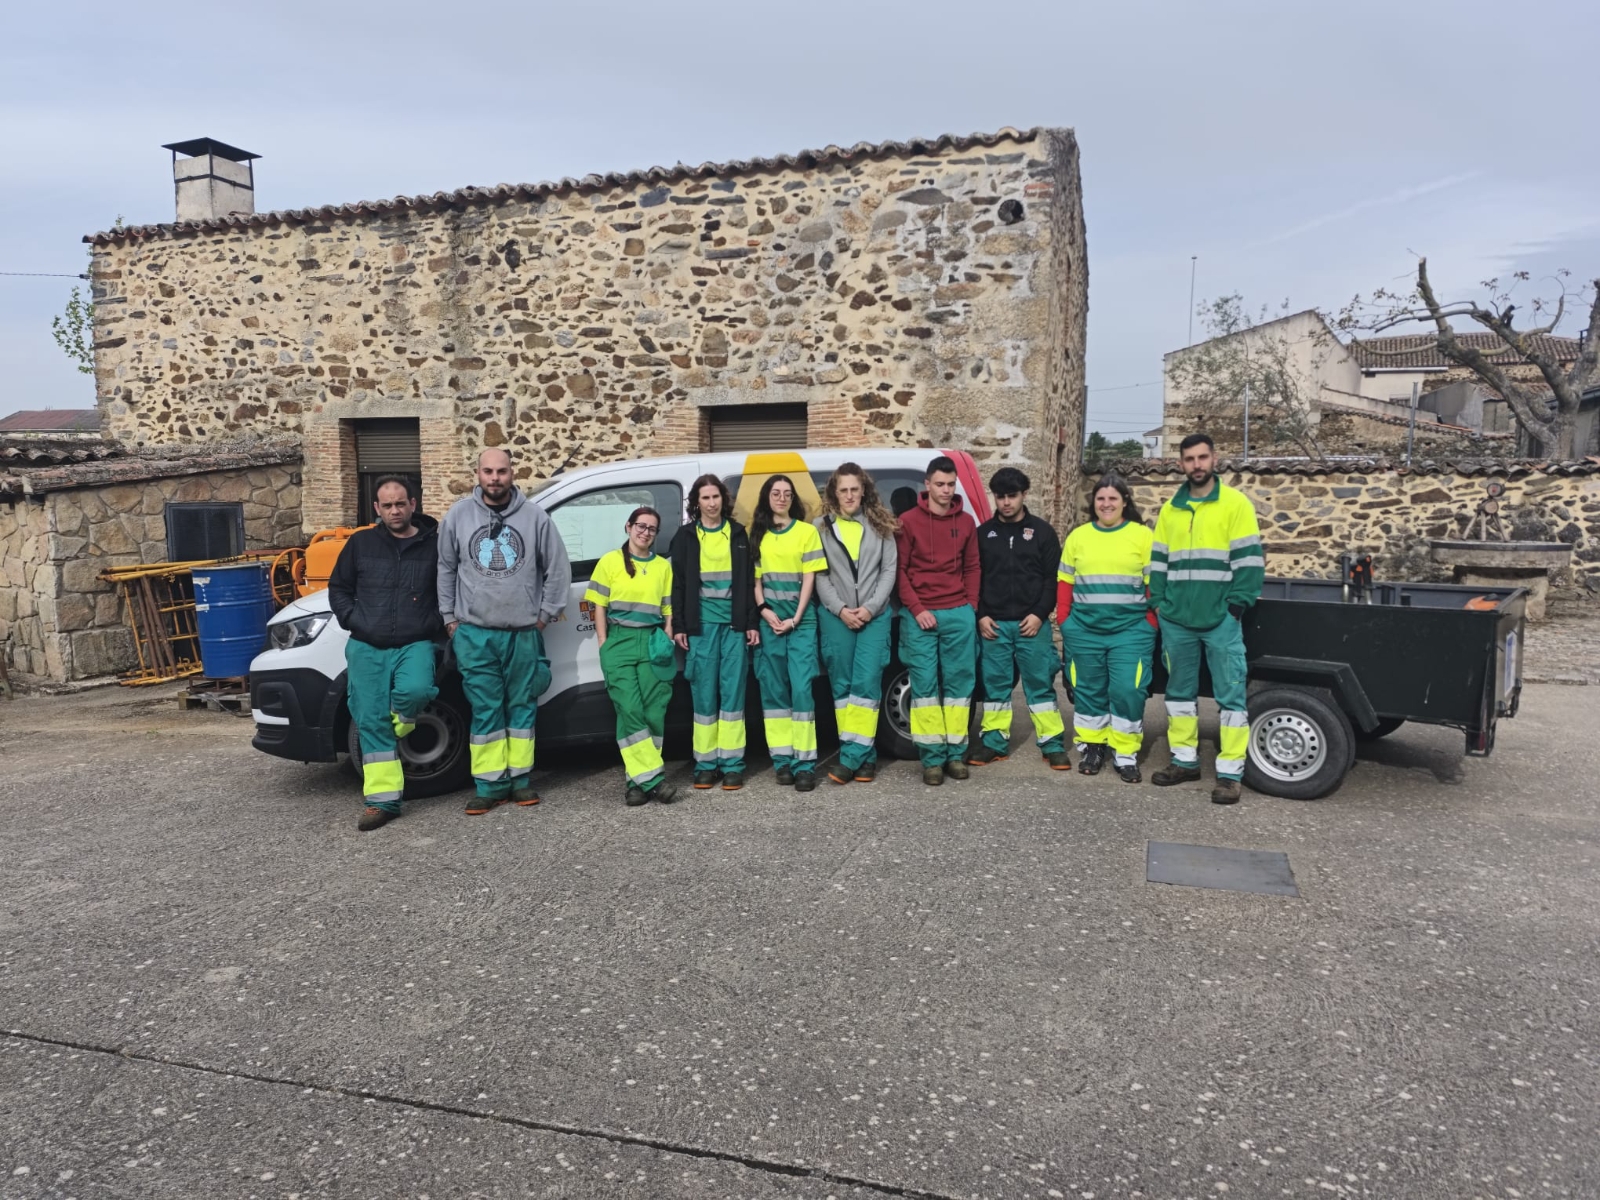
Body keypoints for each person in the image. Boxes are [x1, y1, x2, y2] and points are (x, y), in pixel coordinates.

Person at [437, 448, 572, 815]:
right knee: (485, 709)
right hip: (475, 633)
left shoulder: (535, 518)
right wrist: (450, 618)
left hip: (524, 632)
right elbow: (446, 568)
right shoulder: (459, 516)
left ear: (512, 473)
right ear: (476, 473)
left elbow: (557, 569)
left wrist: (544, 616)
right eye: (487, 471)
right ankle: (489, 786)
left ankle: (521, 781)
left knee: (522, 707)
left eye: (501, 471)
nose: (494, 478)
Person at [1148, 433, 1265, 805]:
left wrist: (1236, 607)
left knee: (1231, 697)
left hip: (1220, 620)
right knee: (1179, 695)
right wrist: (1159, 604)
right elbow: (1159, 562)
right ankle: (1185, 761)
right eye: (1189, 459)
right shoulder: (1171, 509)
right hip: (1177, 619)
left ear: (1214, 459)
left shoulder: (1235, 504)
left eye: (1202, 457)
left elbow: (1249, 561)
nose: (1196, 465)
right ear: (1180, 464)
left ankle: (1230, 774)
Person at [326, 475, 443, 831]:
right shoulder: (361, 543)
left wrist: (433, 620)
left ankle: (405, 718)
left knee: (417, 690)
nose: (395, 510)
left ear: (413, 505)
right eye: (387, 505)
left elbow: (449, 591)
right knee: (370, 719)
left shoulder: (433, 546)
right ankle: (383, 802)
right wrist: (354, 619)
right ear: (377, 509)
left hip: (415, 641)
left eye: (400, 503)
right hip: (367, 644)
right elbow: (339, 587)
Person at [1057, 474, 1156, 783]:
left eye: (1113, 498)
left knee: (1128, 690)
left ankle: (1125, 753)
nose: (1107, 503)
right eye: (1101, 498)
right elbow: (1065, 584)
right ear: (1094, 503)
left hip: (1131, 632)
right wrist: (1066, 623)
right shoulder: (1079, 537)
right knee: (1089, 692)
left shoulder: (1142, 536)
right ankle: (1093, 747)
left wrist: (1150, 624)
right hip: (1084, 631)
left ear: (1124, 501)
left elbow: (1154, 587)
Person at [969, 467, 1069, 771]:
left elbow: (1052, 580)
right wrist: (981, 615)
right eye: (1000, 497)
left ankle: (1052, 744)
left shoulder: (1042, 532)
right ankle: (994, 743)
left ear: (1024, 494)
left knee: (1040, 685)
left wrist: (1039, 615)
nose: (1006, 503)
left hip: (1031, 625)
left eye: (1012, 496)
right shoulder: (983, 534)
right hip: (994, 626)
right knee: (995, 687)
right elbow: (975, 578)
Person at [895, 456, 981, 787]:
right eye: (940, 484)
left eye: (951, 484)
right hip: (920, 615)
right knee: (925, 688)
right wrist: (917, 609)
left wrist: (970, 607)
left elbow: (973, 567)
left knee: (960, 688)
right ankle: (931, 759)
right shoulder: (908, 521)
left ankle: (956, 755)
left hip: (958, 612)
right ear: (927, 485)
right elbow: (899, 571)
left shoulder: (967, 523)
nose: (946, 490)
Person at [669, 474, 759, 792]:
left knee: (733, 696)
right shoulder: (685, 537)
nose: (711, 503)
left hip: (734, 628)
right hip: (701, 628)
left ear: (723, 499)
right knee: (703, 695)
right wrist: (680, 626)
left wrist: (750, 623)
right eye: (705, 498)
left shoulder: (737, 534)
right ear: (696, 502)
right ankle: (706, 764)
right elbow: (676, 585)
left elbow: (748, 582)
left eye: (716, 497)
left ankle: (733, 764)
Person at [586, 507, 679, 807]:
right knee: (629, 709)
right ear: (628, 527)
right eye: (641, 526)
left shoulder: (663, 566)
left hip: (652, 642)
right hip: (619, 641)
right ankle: (654, 779)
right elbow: (598, 605)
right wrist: (603, 642)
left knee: (653, 712)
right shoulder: (609, 561)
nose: (646, 532)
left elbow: (668, 609)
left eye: (652, 528)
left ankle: (635, 783)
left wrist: (666, 635)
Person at [814, 463, 899, 786]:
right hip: (836, 617)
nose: (849, 495)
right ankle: (866, 757)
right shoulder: (819, 527)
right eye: (843, 490)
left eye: (854, 489)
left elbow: (889, 571)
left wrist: (870, 607)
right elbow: (819, 574)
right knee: (843, 689)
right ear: (834, 493)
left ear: (864, 490)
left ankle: (850, 758)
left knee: (866, 684)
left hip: (874, 617)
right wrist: (840, 609)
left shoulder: (881, 525)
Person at [750, 475, 826, 791]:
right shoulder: (756, 535)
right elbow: (755, 582)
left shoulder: (807, 532)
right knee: (774, 693)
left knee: (802, 691)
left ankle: (805, 764)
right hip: (770, 623)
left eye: (787, 494)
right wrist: (766, 612)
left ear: (793, 499)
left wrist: (795, 618)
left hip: (801, 622)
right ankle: (782, 761)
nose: (781, 498)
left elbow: (810, 578)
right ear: (767, 497)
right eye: (776, 493)